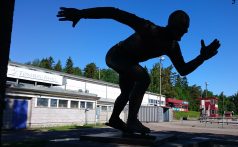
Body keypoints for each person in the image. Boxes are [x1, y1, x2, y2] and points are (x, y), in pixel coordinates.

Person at [57, 7, 221, 134]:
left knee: (126, 92)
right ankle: (132, 120)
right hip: (116, 54)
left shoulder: (172, 47)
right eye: (181, 30)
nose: (183, 34)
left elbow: (183, 70)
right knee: (144, 78)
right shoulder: (149, 28)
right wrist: (81, 13)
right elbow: (114, 13)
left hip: (129, 62)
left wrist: (202, 58)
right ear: (172, 25)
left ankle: (114, 119)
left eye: (185, 31)